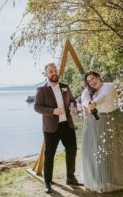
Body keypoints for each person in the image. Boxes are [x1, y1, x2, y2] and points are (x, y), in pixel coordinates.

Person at [81, 71, 123, 193]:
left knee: (115, 150)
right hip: (96, 123)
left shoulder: (109, 86)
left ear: (98, 77)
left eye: (93, 78)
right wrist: (87, 105)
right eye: (89, 81)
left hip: (113, 121)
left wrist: (94, 104)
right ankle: (101, 181)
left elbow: (102, 99)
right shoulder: (88, 91)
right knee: (98, 151)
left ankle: (119, 179)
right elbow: (84, 99)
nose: (92, 82)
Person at [34, 63, 79, 194]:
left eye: (55, 70)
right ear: (46, 74)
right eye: (51, 71)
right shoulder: (41, 90)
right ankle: (48, 182)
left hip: (67, 125)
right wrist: (53, 111)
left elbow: (72, 100)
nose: (54, 73)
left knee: (72, 150)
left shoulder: (65, 87)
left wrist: (74, 107)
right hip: (51, 128)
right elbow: (37, 107)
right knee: (49, 155)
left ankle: (70, 177)